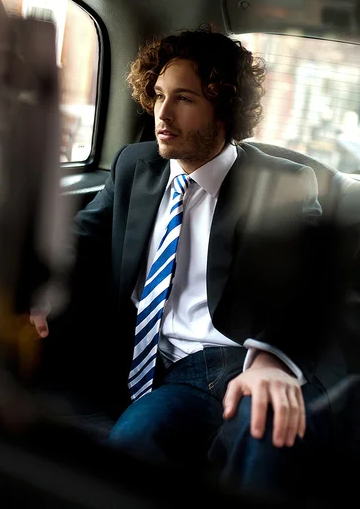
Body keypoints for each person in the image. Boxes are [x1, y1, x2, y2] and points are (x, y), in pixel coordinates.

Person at [32, 26, 336, 504]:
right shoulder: (136, 165)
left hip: (239, 357)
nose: (162, 113)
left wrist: (273, 361)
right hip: (156, 363)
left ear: (224, 108)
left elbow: (307, 283)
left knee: (268, 442)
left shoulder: (282, 182)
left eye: (185, 99)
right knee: (133, 447)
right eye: (157, 95)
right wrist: (38, 283)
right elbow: (82, 236)